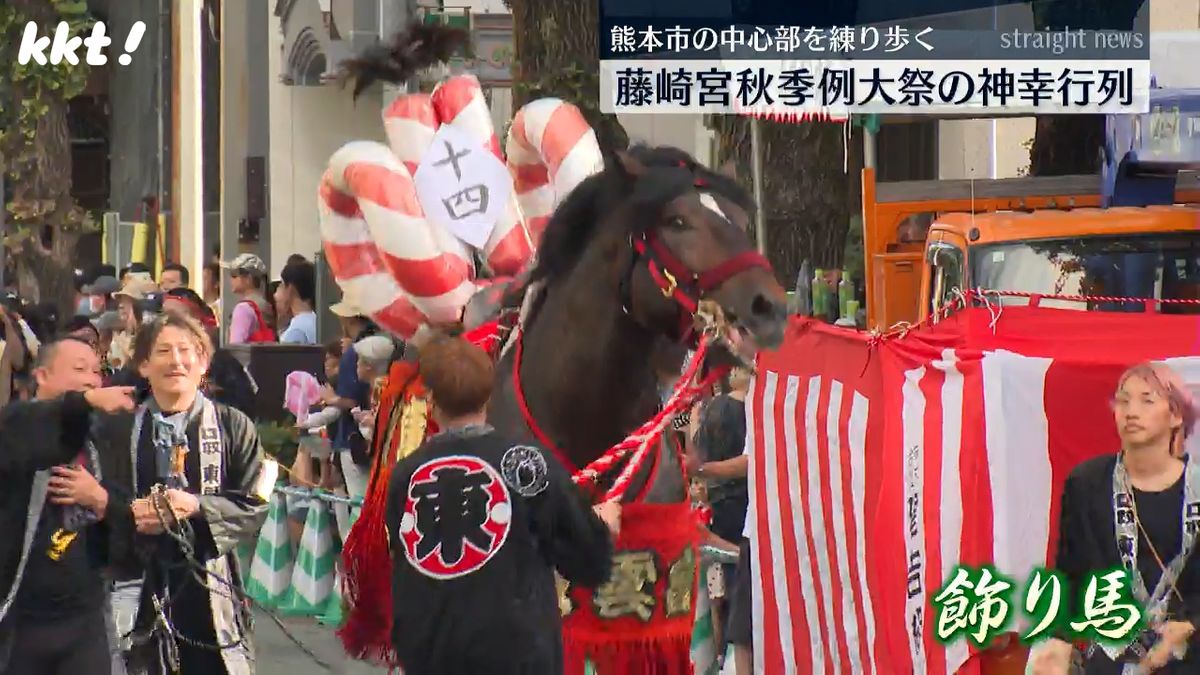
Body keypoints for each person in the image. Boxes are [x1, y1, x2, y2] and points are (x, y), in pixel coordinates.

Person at [386, 334, 618, 674]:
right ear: (489, 395)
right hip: (514, 653)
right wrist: (602, 526)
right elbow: (587, 561)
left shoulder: (408, 474)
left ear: (431, 400)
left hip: (431, 652)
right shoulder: (526, 463)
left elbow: (403, 557)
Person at [97, 313, 272, 674]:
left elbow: (254, 501)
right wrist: (131, 513)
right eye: (163, 351)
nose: (176, 360)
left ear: (203, 362)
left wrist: (196, 505)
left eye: (185, 350)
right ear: (143, 364)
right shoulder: (119, 428)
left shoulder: (232, 425)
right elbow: (100, 496)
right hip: (139, 576)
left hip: (208, 579)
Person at [1031, 362, 1200, 675]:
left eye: (1147, 400)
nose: (1131, 411)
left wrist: (1189, 623)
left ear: (1176, 415)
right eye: (1123, 401)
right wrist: (1056, 640)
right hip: (1114, 650)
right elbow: (1069, 573)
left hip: (1187, 651)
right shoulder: (1087, 483)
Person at [0, 340, 137, 674]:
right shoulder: (15, 424)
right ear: (42, 375)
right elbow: (44, 422)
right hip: (19, 618)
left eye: (96, 371)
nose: (92, 379)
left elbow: (131, 514)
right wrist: (85, 401)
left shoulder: (107, 437)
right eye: (79, 369)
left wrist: (101, 499)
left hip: (85, 615)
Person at [224, 253, 276, 344]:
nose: (231, 279)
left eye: (234, 275)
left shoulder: (243, 308)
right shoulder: (267, 304)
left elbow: (236, 347)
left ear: (248, 278)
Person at [275, 259, 318, 345]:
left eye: (281, 285)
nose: (276, 293)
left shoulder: (296, 332)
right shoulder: (317, 321)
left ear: (290, 288)